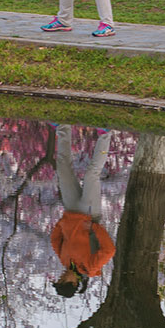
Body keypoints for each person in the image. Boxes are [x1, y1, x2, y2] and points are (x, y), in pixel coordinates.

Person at [49, 125, 115, 296]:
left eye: (59, 279)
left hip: (71, 210)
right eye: (63, 280)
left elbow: (55, 240)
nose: (61, 276)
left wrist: (61, 223)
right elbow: (109, 250)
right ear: (74, 283)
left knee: (63, 171)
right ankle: (105, 134)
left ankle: (62, 127)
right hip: (88, 213)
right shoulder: (90, 267)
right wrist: (94, 227)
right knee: (91, 174)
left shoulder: (64, 260)